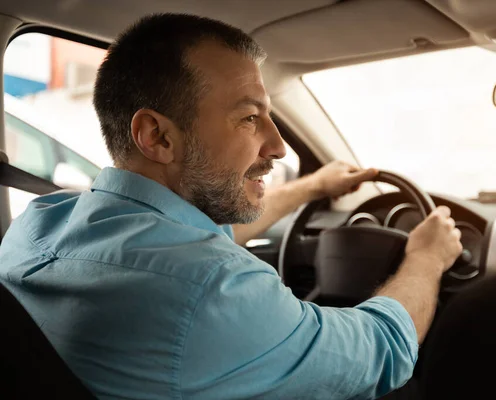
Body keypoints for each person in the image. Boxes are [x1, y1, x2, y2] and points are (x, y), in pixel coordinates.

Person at [0, 14, 462, 399]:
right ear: (158, 136)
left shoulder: (41, 224)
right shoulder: (213, 289)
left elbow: (189, 243)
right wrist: (426, 258)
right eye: (249, 118)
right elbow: (381, 352)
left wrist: (311, 187)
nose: (278, 146)